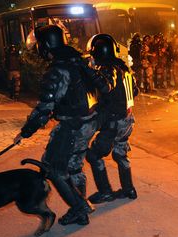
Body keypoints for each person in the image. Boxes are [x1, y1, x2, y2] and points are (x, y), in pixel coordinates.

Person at [13, 25, 112, 225]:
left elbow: (45, 107)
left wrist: (26, 132)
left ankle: (80, 206)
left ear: (46, 44)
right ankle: (80, 214)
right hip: (89, 122)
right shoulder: (78, 61)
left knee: (52, 168)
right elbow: (103, 87)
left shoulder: (59, 69)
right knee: (74, 167)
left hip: (72, 127)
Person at [85, 34, 139, 204]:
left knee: (94, 156)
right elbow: (135, 91)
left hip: (114, 122)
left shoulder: (109, 70)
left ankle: (105, 191)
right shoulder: (124, 68)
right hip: (127, 120)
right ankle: (129, 189)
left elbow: (106, 87)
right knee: (120, 155)